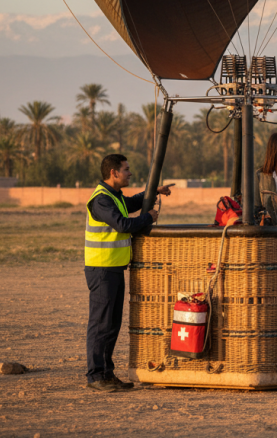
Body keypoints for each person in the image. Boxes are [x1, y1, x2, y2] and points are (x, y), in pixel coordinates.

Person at [85, 153, 171, 392]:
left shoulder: (114, 196)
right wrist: (148, 218)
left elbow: (131, 203)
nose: (129, 173)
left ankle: (107, 373)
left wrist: (153, 192)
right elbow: (122, 224)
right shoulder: (101, 200)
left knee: (112, 324)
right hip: (102, 270)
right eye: (126, 169)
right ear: (114, 172)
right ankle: (95, 376)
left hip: (113, 268)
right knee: (101, 324)